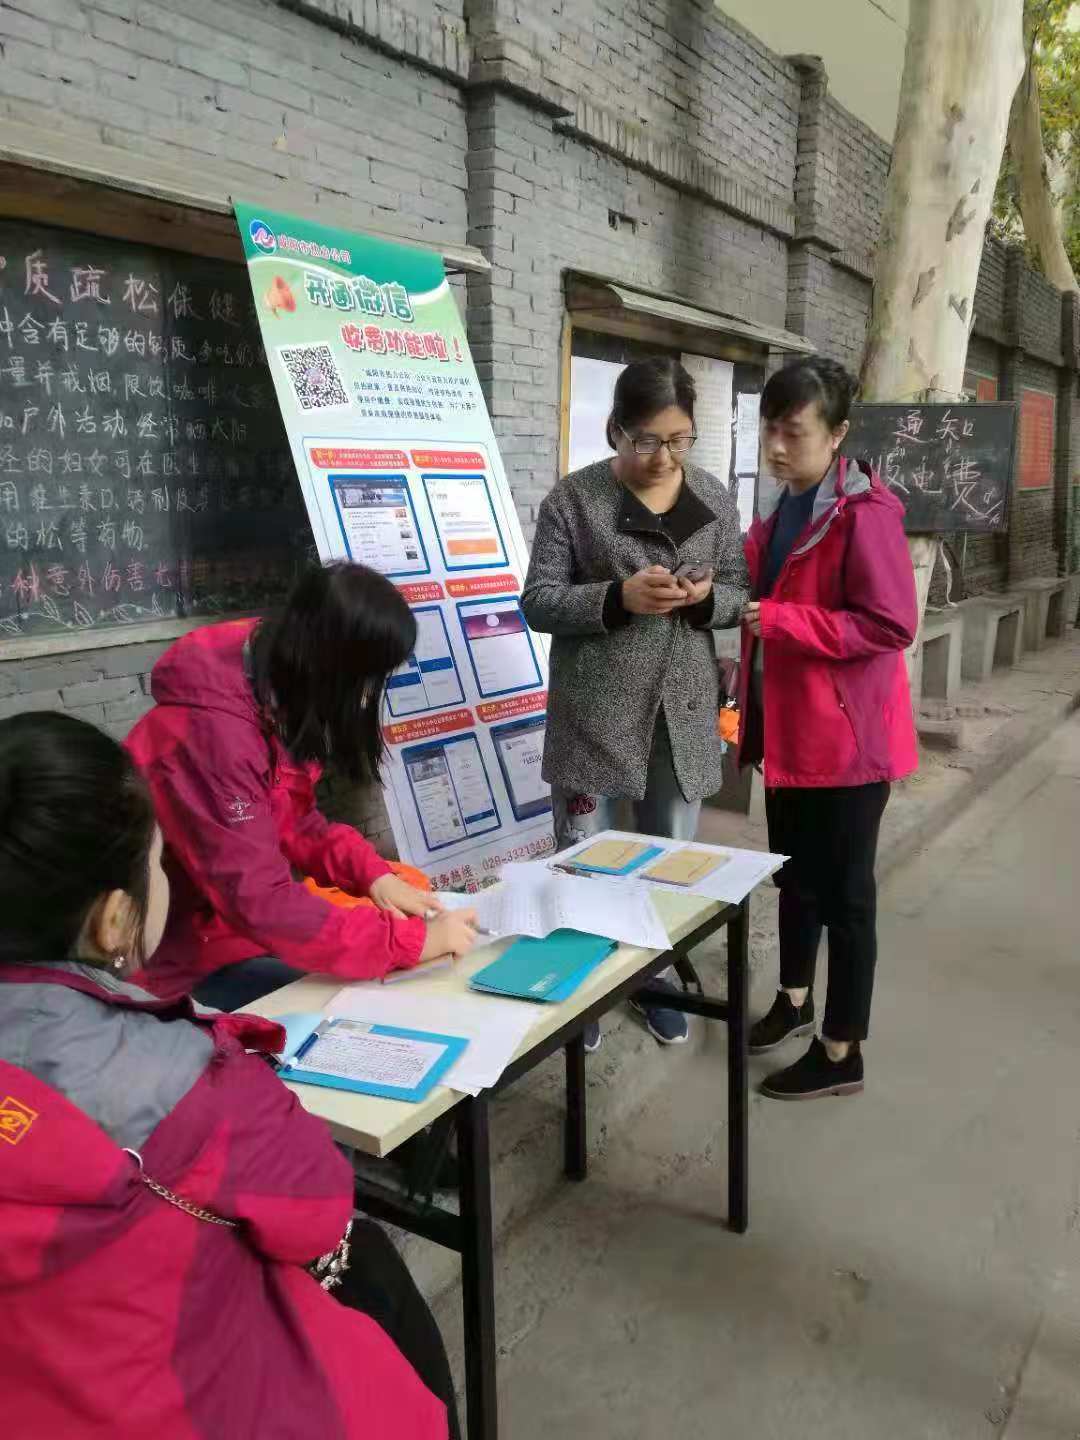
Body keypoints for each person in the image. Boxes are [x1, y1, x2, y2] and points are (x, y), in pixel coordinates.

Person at [0, 712, 460, 1440]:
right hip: (172, 1399)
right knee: (364, 1268)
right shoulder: (190, 1080)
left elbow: (300, 829)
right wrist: (405, 941)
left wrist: (367, 871)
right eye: (157, 867)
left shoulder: (261, 717)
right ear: (114, 921)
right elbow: (316, 1208)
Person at [127, 562, 478, 1009]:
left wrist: (372, 874)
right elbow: (260, 902)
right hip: (172, 966)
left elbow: (294, 821)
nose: (368, 698)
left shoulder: (273, 687)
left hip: (229, 934)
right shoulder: (215, 737)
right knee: (381, 1005)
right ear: (333, 667)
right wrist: (411, 942)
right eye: (368, 681)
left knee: (393, 939)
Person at [523, 356, 748, 1049]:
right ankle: (583, 992)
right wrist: (617, 598)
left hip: (680, 707)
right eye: (647, 440)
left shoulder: (712, 498)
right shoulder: (573, 500)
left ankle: (654, 980)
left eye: (679, 441)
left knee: (667, 858)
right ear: (615, 430)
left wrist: (706, 599)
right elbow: (538, 601)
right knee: (584, 856)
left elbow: (740, 591)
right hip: (593, 711)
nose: (664, 457)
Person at [738, 356, 918, 1100]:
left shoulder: (864, 514)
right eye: (769, 430)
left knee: (846, 900)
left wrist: (784, 621)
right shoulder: (786, 506)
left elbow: (891, 624)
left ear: (837, 433)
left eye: (794, 432)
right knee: (795, 880)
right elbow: (758, 581)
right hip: (789, 737)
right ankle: (794, 1000)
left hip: (847, 747)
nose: (777, 447)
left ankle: (842, 1050)